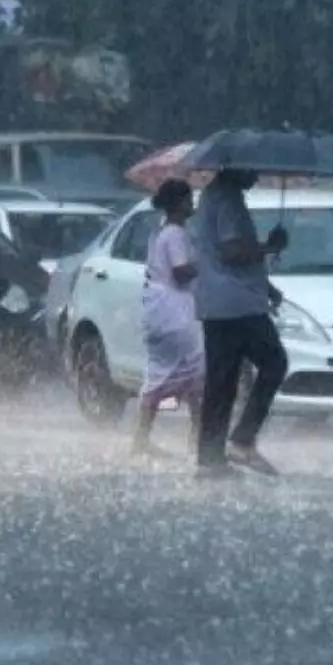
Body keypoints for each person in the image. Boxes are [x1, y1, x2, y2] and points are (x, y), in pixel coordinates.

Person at [190, 168, 289, 477]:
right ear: (235, 166)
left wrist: (266, 287)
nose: (256, 176)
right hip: (239, 304)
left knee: (222, 381)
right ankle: (242, 440)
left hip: (216, 302)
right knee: (274, 362)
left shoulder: (209, 196)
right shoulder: (229, 199)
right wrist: (270, 247)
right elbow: (232, 251)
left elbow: (215, 253)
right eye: (251, 170)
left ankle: (210, 455)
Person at [135, 179, 204, 458]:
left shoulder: (161, 232)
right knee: (199, 375)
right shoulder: (174, 234)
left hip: (160, 312)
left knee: (159, 375)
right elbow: (181, 272)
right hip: (174, 313)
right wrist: (205, 262)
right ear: (178, 204)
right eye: (188, 200)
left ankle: (141, 439)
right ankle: (197, 439)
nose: (192, 205)